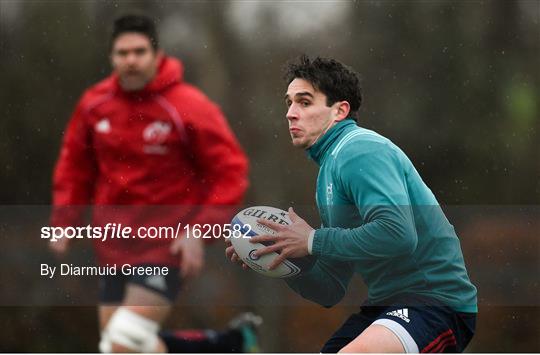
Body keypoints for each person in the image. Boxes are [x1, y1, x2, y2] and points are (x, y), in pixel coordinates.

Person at [226, 55, 477, 353]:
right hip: (385, 306)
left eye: (304, 102)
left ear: (340, 110)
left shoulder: (359, 150)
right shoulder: (328, 174)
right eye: (289, 102)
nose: (291, 113)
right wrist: (283, 260)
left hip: (435, 302)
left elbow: (398, 234)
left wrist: (313, 240)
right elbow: (331, 288)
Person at [51, 14, 261, 353]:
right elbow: (75, 166)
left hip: (166, 244)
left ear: (157, 54)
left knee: (124, 342)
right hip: (113, 245)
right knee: (121, 346)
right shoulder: (94, 105)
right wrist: (64, 220)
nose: (130, 61)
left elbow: (231, 171)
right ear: (111, 57)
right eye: (122, 53)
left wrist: (199, 231)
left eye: (139, 52)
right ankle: (228, 345)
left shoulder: (188, 106)